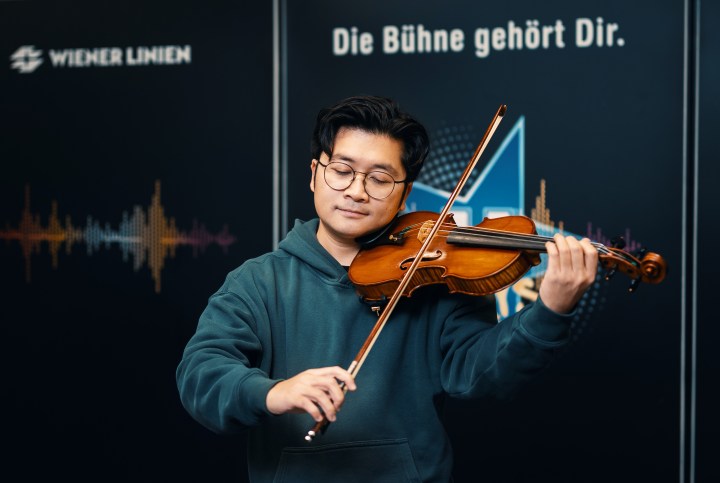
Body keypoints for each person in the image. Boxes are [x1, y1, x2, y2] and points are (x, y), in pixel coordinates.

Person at [176, 95, 598, 482]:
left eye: (380, 179)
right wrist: (273, 392)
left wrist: (550, 310)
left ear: (404, 193)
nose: (356, 191)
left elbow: (482, 375)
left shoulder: (433, 275)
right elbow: (201, 375)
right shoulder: (258, 282)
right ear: (315, 174)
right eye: (342, 171)